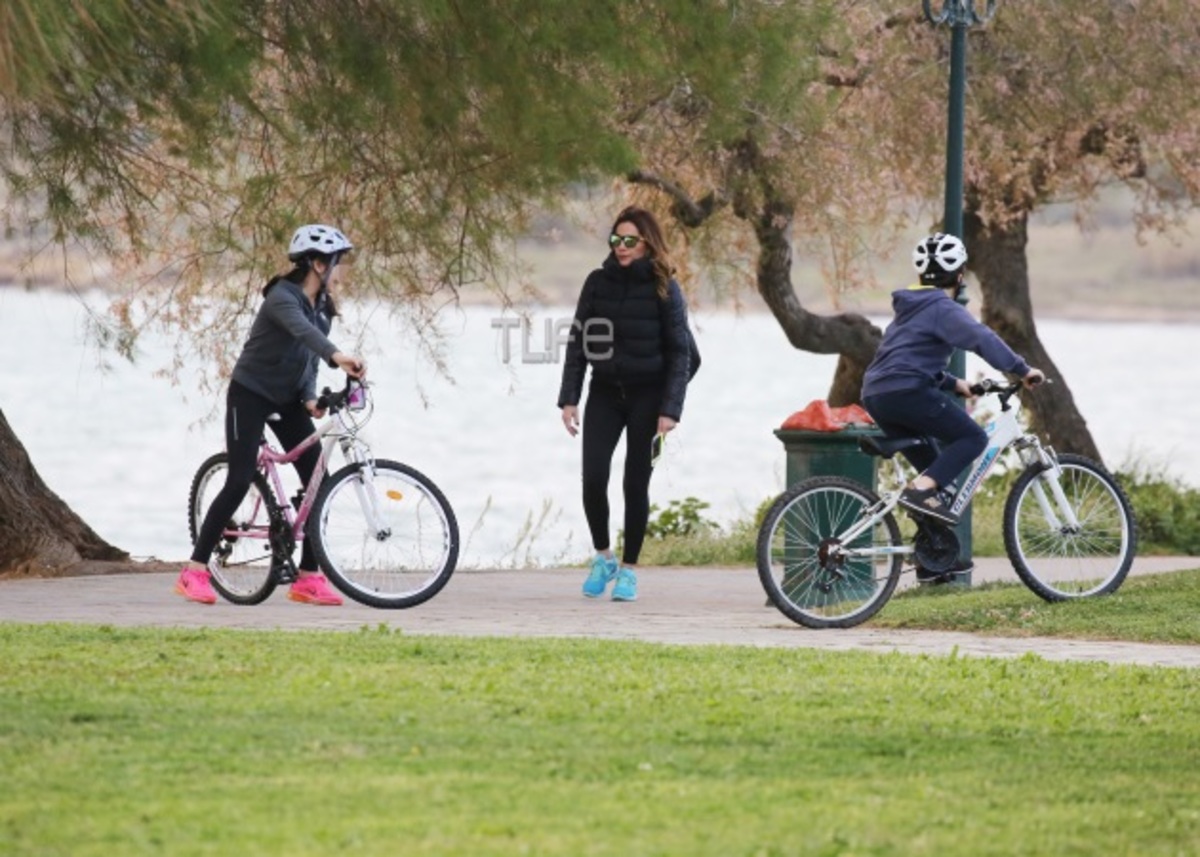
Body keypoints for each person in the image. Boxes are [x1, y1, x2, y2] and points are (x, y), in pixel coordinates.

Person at [175, 224, 367, 606]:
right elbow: (304, 335)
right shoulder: (282, 298)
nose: (341, 271)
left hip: (288, 400)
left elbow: (308, 358)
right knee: (240, 477)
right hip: (250, 394)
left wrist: (311, 398)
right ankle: (194, 571)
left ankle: (309, 578)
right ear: (316, 263)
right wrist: (338, 356)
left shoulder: (324, 308)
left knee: (319, 485)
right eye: (336, 263)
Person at [861, 232, 1044, 575]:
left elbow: (903, 360)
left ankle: (935, 562)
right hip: (907, 391)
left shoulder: (907, 309)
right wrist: (1021, 370)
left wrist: (954, 383)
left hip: (878, 393)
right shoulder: (941, 308)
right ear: (959, 276)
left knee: (937, 479)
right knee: (972, 439)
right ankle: (917, 492)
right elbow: (980, 338)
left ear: (920, 275)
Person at [557, 206, 691, 602]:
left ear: (647, 242)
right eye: (615, 240)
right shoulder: (597, 283)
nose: (621, 247)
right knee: (593, 478)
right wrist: (569, 398)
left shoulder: (665, 286)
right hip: (604, 393)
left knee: (636, 482)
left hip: (649, 398)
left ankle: (630, 570)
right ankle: (604, 557)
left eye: (629, 240)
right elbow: (578, 342)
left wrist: (671, 409)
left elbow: (680, 352)